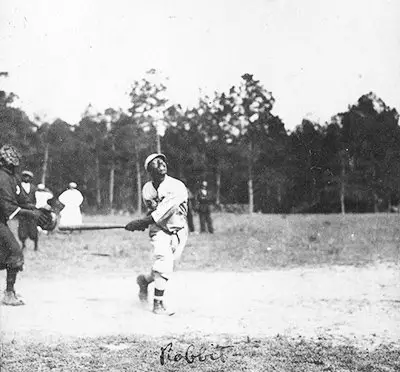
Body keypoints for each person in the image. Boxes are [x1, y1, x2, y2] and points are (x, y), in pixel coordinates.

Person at [125, 153, 188, 315]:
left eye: (163, 161)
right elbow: (153, 211)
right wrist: (143, 222)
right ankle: (157, 304)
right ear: (149, 170)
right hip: (159, 229)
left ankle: (144, 281)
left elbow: (166, 210)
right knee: (164, 262)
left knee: (165, 267)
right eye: (156, 162)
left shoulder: (176, 186)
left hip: (179, 229)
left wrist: (142, 222)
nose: (161, 163)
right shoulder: (147, 188)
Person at [0, 144, 49, 306]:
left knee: (4, 257)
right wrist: (32, 214)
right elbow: (8, 207)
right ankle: (8, 294)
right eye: (12, 163)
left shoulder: (12, 177)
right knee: (15, 253)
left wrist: (38, 210)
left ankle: (9, 290)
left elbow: (23, 201)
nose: (15, 165)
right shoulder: (2, 177)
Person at [17, 170, 39, 250]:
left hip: (31, 210)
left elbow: (36, 198)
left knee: (33, 227)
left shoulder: (33, 187)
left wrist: (34, 206)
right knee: (22, 228)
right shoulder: (19, 187)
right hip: (22, 209)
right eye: (25, 176)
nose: (26, 178)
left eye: (28, 177)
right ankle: (23, 244)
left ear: (30, 178)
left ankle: (35, 245)